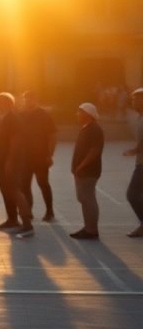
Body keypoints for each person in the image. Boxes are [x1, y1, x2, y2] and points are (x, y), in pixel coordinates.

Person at [0, 92, 34, 238]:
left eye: (0, 103)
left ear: (8, 104)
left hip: (11, 162)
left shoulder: (13, 119)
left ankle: (27, 225)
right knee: (6, 190)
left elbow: (16, 142)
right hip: (3, 161)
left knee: (14, 190)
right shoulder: (6, 119)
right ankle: (12, 220)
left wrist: (10, 161)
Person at [69, 103, 104, 240]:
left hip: (88, 171)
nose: (77, 114)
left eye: (80, 112)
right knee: (83, 198)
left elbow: (95, 151)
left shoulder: (94, 129)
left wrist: (82, 166)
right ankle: (88, 226)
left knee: (88, 199)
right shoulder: (86, 128)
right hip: (82, 171)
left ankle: (91, 229)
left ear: (87, 114)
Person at [20, 90, 57, 221]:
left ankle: (49, 211)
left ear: (36, 100)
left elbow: (52, 136)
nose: (27, 101)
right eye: (25, 99)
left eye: (30, 99)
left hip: (41, 156)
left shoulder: (44, 115)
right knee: (25, 185)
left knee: (43, 183)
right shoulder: (21, 114)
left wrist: (49, 155)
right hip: (25, 157)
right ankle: (28, 211)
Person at [125, 87, 143, 238]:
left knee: (132, 194)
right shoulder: (139, 118)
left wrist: (135, 150)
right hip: (140, 162)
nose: (133, 102)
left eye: (136, 99)